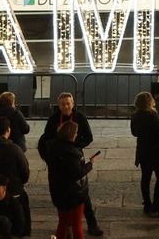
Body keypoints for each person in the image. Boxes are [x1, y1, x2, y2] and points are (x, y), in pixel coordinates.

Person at [38, 94, 101, 236]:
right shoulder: (54, 118)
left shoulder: (80, 118)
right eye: (62, 104)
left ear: (72, 104)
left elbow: (88, 137)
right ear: (59, 106)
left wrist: (76, 145)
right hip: (58, 158)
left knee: (83, 195)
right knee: (73, 197)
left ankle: (92, 224)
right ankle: (66, 226)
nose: (65, 106)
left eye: (68, 103)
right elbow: (46, 138)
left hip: (74, 155)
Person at [42, 121, 92, 239]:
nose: (76, 135)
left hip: (58, 192)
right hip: (74, 194)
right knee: (77, 224)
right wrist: (90, 164)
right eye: (75, 133)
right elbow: (78, 173)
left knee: (63, 222)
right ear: (71, 135)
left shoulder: (52, 148)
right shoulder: (72, 153)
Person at [129, 92, 159, 219]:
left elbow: (134, 133)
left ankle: (147, 204)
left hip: (142, 150)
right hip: (155, 151)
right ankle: (157, 203)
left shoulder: (135, 115)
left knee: (145, 178)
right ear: (150, 102)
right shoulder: (152, 115)